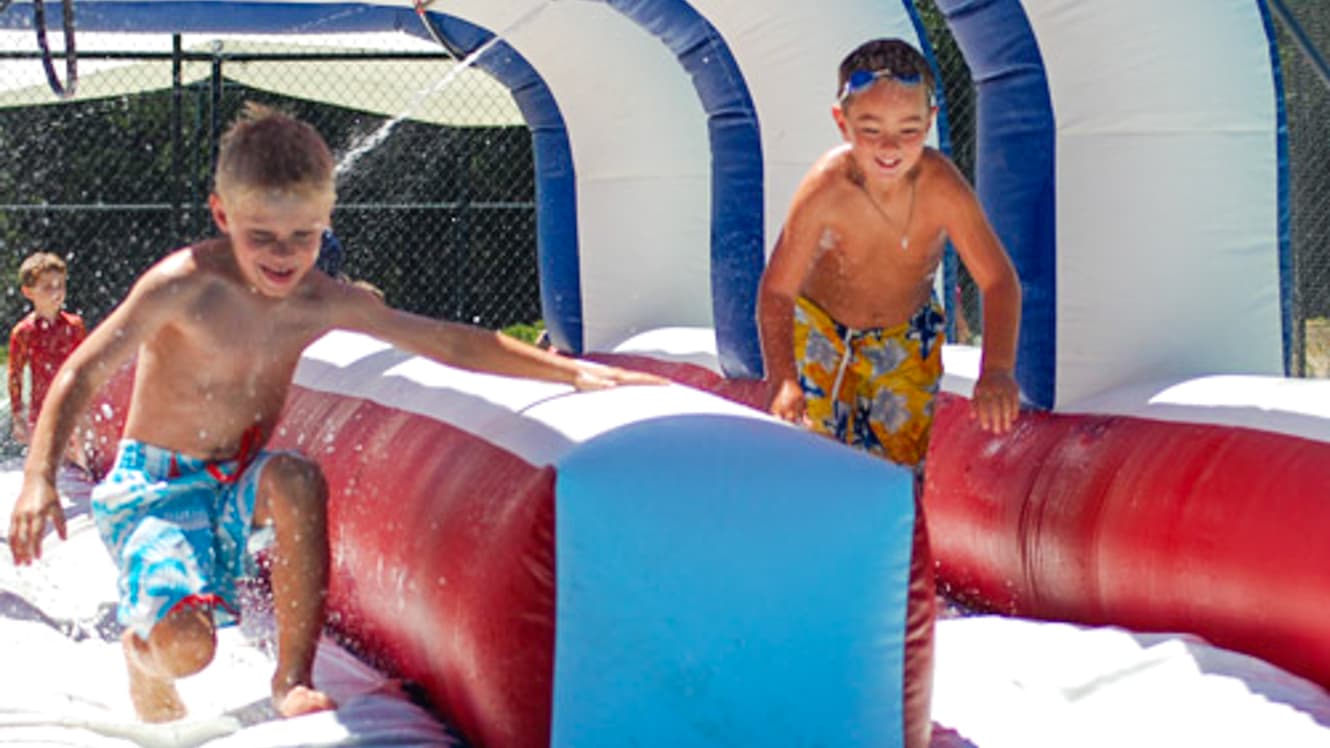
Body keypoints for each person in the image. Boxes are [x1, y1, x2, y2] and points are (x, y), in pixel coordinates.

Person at [5, 103, 662, 724]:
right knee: (187, 652)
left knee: (295, 477)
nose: (283, 254)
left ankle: (292, 677)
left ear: (328, 220)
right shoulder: (183, 285)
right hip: (153, 488)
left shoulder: (321, 299)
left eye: (305, 235)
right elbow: (83, 369)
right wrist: (37, 476)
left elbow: (444, 338)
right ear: (222, 214)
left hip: (237, 479)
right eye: (262, 234)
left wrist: (571, 370)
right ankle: (142, 655)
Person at [757, 37, 1022, 475]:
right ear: (842, 123)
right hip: (821, 331)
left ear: (931, 120)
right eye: (871, 129)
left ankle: (897, 539)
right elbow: (778, 290)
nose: (889, 147)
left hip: (904, 338)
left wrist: (996, 369)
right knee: (809, 454)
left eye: (909, 130)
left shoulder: (942, 188)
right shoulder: (827, 187)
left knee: (897, 473)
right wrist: (783, 377)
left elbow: (998, 281)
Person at [8, 252, 87, 461]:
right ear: (28, 292)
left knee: (79, 460)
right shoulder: (24, 332)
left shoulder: (74, 326)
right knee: (46, 462)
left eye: (60, 284)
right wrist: (18, 416)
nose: (57, 292)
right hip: (40, 410)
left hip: (73, 405)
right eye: (47, 287)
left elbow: (86, 366)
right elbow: (14, 375)